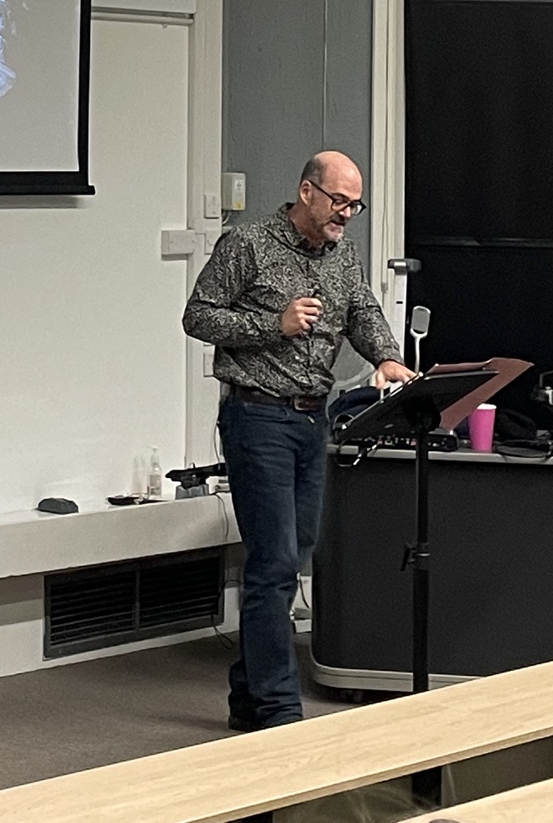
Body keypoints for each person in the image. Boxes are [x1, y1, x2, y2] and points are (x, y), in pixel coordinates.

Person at [182, 150, 414, 731]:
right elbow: (198, 316)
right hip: (257, 417)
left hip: (314, 421)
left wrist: (386, 357)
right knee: (275, 562)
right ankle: (279, 710)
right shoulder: (248, 244)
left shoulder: (342, 255)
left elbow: (362, 311)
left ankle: (248, 696)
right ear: (307, 191)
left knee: (293, 556)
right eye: (339, 201)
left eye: (355, 205)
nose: (346, 214)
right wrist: (274, 324)